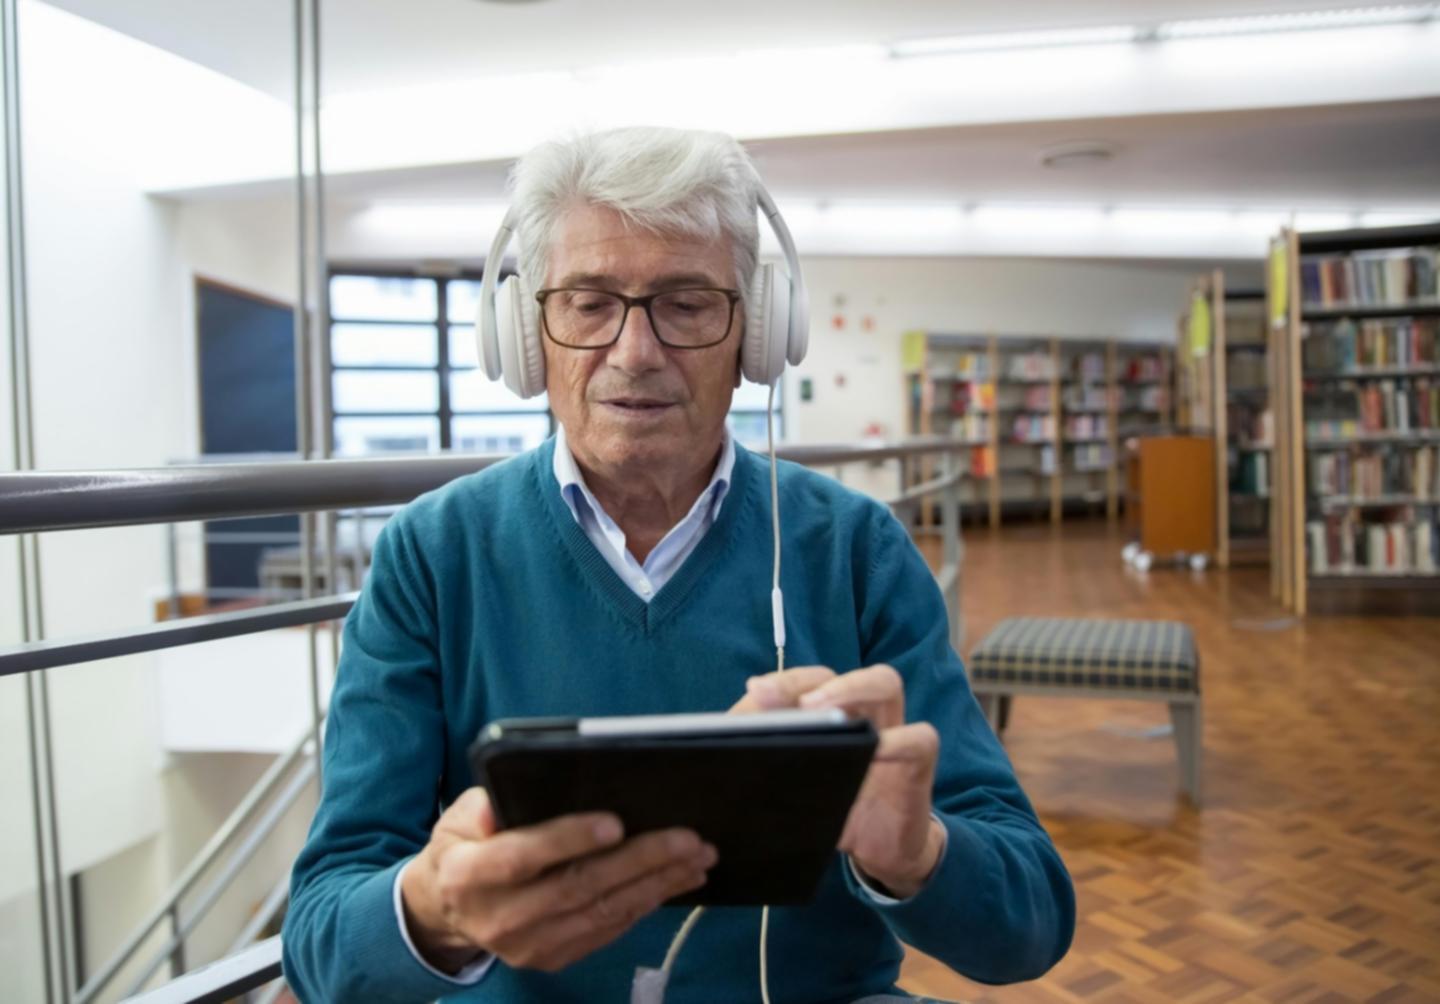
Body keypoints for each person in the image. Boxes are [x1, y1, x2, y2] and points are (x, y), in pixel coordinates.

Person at [281, 127, 1074, 1003]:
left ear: (756, 335)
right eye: (588, 303)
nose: (634, 352)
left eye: (686, 304)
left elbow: (1030, 923)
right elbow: (321, 948)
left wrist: (917, 854)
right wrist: (434, 911)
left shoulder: (856, 548)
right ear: (526, 335)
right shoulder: (432, 554)